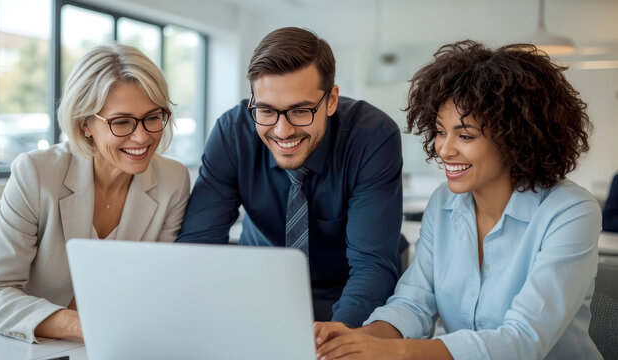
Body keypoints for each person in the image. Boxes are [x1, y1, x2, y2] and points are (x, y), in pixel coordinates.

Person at [315, 40, 602, 359]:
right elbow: (413, 303)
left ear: (516, 137)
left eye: (465, 136)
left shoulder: (570, 211)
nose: (445, 149)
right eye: (440, 131)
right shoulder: (444, 204)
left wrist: (393, 352)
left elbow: (523, 340)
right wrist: (357, 339)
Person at [176, 27, 404, 327]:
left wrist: (334, 339)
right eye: (267, 111)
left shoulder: (372, 137)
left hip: (349, 292)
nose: (283, 131)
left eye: (300, 111)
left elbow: (371, 266)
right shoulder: (232, 134)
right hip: (256, 289)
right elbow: (198, 249)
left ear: (331, 100)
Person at [0, 43, 190, 343]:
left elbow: (157, 287)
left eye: (153, 117)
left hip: (123, 345)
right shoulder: (35, 173)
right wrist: (83, 326)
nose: (142, 137)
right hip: (36, 348)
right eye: (122, 122)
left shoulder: (173, 181)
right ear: (85, 123)